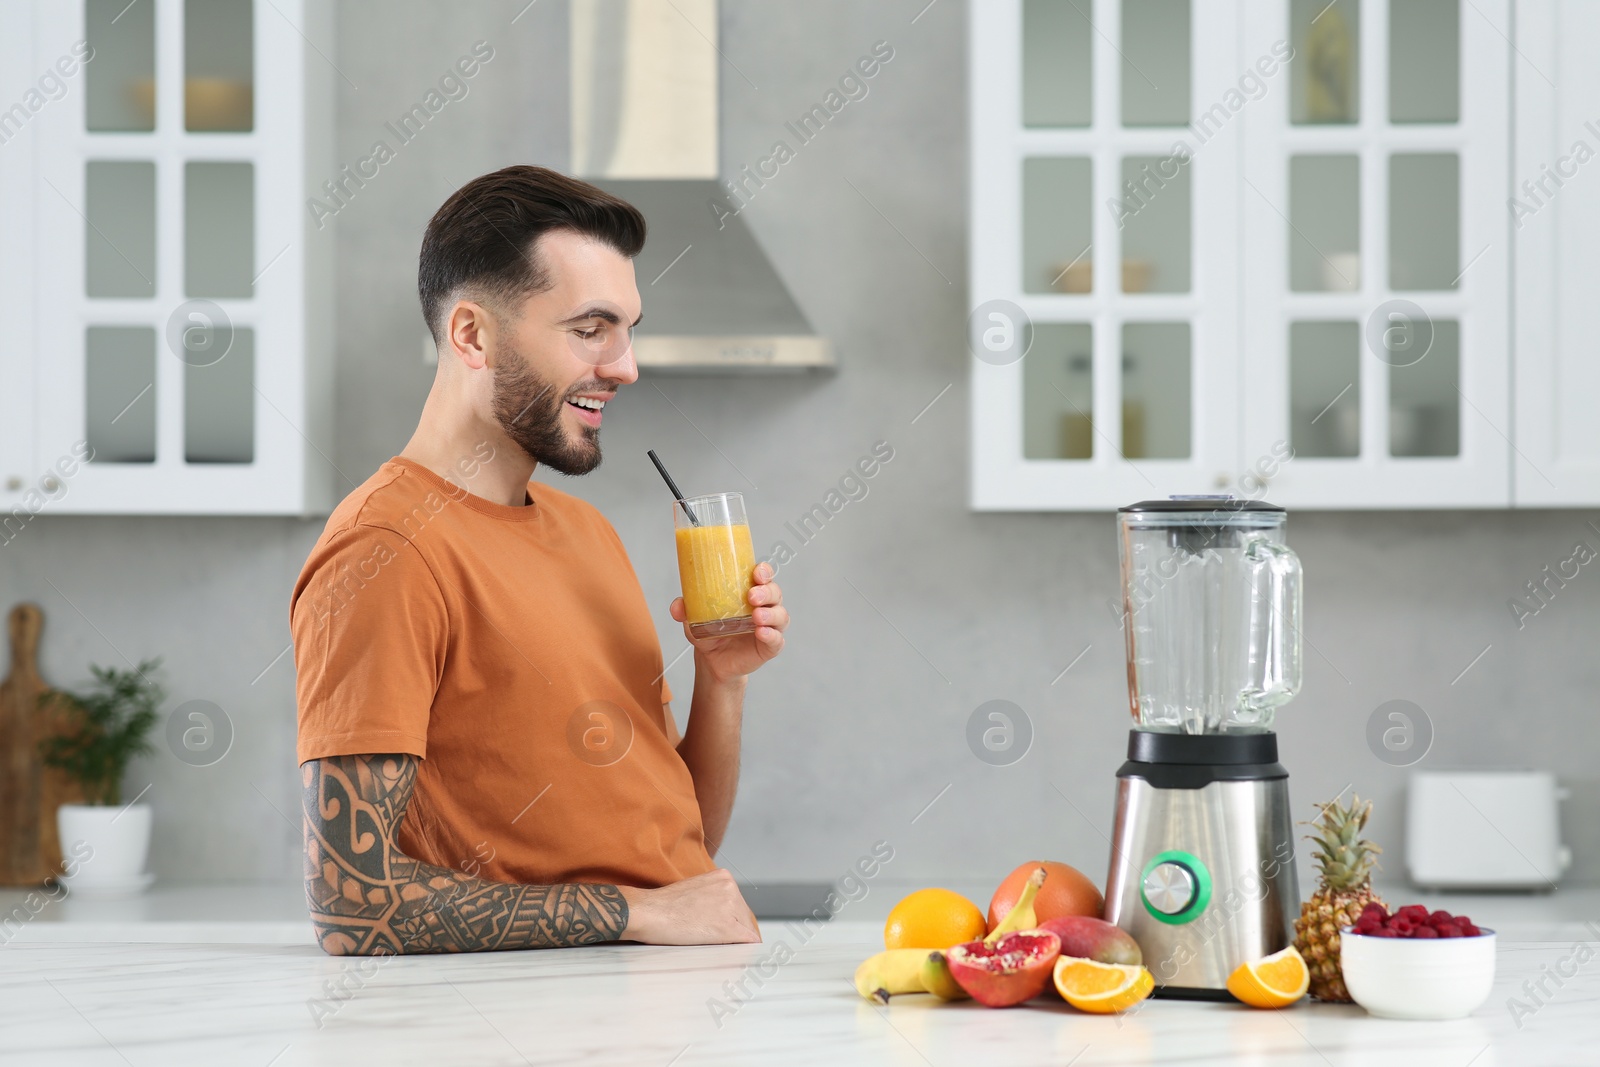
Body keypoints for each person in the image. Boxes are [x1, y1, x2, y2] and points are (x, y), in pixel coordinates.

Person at [290, 165, 787, 955]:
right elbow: (354, 906)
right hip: (528, 1015)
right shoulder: (384, 551)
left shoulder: (588, 530)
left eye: (628, 330)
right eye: (590, 330)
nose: (625, 365)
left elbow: (671, 849)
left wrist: (721, 680)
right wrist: (639, 915)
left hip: (662, 998)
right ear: (472, 335)